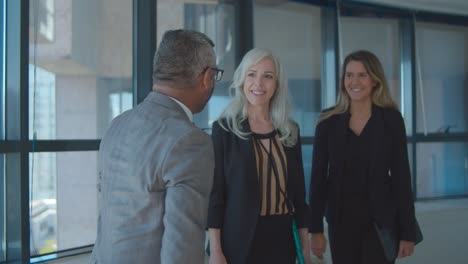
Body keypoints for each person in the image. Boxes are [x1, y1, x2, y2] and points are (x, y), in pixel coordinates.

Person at [90, 29, 223, 264]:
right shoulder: (190, 141)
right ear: (207, 77)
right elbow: (182, 251)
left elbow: (107, 222)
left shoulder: (118, 125)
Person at [308, 50, 418, 264]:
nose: (354, 81)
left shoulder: (391, 120)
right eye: (349, 75)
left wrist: (408, 232)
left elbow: (401, 178)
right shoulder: (328, 121)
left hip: (381, 223)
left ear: (375, 80)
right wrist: (316, 229)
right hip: (341, 223)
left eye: (362, 75)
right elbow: (318, 178)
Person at [207, 48, 311, 264]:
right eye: (252, 74)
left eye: (268, 76)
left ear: (277, 84)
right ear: (242, 80)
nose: (259, 84)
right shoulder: (224, 130)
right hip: (238, 243)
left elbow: (300, 198)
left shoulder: (290, 131)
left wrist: (305, 252)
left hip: (282, 241)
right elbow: (216, 197)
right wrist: (216, 251)